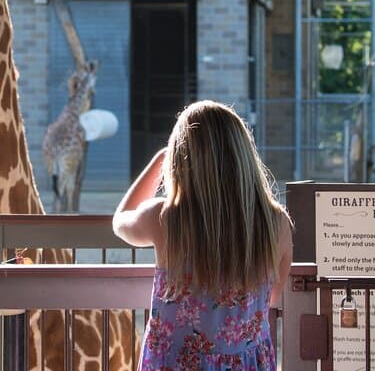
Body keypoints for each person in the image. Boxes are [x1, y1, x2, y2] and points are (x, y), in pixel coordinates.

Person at [112, 100, 293, 370]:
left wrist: (159, 160)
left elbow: (119, 221)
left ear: (179, 159)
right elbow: (272, 297)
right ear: (243, 156)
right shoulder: (276, 223)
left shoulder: (164, 218)